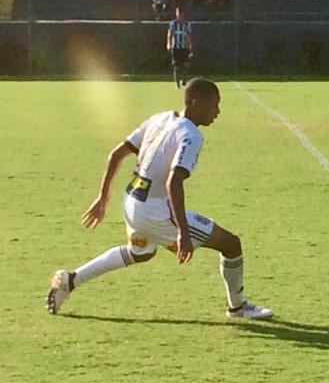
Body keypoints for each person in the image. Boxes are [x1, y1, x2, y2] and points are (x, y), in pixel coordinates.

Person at [45, 78, 273, 320]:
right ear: (196, 103)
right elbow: (173, 183)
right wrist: (183, 233)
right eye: (214, 105)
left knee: (141, 253)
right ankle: (237, 307)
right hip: (155, 211)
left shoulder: (159, 118)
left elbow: (116, 154)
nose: (217, 112)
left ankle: (70, 280)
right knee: (231, 244)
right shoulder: (191, 134)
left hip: (132, 201)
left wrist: (103, 198)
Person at [167, 7, 194, 89]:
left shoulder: (187, 24)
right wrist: (169, 44)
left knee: (186, 65)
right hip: (176, 47)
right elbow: (170, 34)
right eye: (178, 13)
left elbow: (189, 36)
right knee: (176, 66)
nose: (179, 15)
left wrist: (191, 46)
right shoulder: (173, 24)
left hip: (184, 47)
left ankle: (184, 80)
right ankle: (177, 83)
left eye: (181, 14)